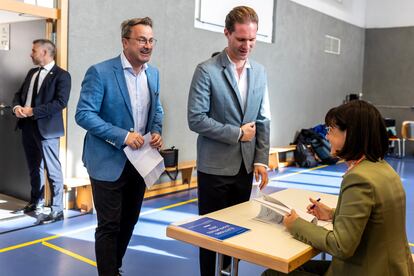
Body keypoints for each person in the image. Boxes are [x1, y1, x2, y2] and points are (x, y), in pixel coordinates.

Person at [263, 100, 414, 276]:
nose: (327, 137)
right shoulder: (384, 169)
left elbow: (341, 246)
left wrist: (296, 224)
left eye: (331, 131)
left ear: (350, 135)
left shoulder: (359, 178)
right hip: (389, 268)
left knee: (272, 274)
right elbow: (372, 221)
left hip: (366, 270)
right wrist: (332, 214)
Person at [75, 17, 163, 276]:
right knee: (109, 225)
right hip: (106, 161)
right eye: (141, 40)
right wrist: (123, 136)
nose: (147, 46)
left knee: (129, 221)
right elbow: (84, 114)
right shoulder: (100, 72)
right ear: (125, 42)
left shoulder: (153, 73)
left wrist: (156, 131)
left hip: (140, 161)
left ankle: (115, 267)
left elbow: (156, 108)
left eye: (150, 40)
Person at [187, 6, 271, 276]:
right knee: (210, 234)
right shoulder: (206, 71)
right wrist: (236, 134)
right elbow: (196, 119)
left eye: (252, 40)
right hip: (215, 169)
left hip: (245, 168)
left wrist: (261, 160)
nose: (247, 45)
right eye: (241, 39)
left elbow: (263, 120)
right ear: (227, 34)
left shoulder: (259, 72)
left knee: (235, 233)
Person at [12, 39, 71, 224]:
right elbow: (18, 95)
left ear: (45, 52)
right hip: (27, 127)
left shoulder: (62, 75)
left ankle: (57, 209)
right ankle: (35, 202)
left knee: (52, 170)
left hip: (47, 130)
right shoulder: (31, 73)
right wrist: (16, 108)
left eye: (34, 50)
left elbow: (61, 103)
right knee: (34, 168)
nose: (31, 54)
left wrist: (33, 111)